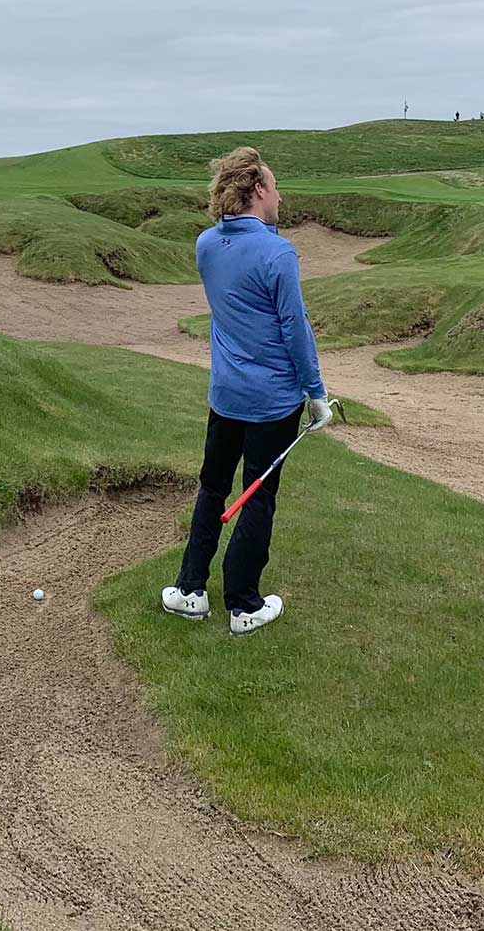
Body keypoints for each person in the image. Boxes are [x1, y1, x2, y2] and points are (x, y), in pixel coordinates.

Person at [162, 147, 331, 635]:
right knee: (257, 496)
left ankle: (190, 590)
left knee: (213, 485)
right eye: (275, 187)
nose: (280, 196)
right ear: (258, 190)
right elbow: (294, 329)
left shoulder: (206, 245)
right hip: (272, 401)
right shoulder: (278, 253)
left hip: (225, 394)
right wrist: (315, 392)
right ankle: (244, 605)